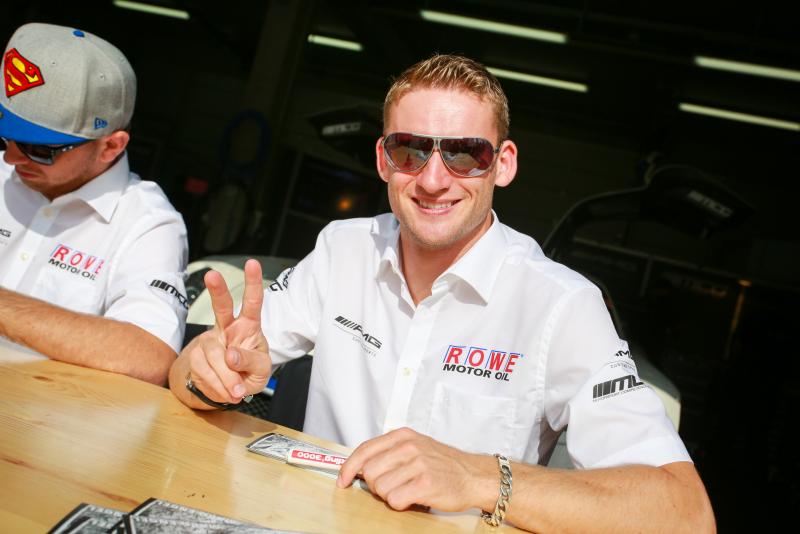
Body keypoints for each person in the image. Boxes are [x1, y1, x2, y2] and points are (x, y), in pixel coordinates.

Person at [169, 55, 715, 532]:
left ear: (503, 164)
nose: (433, 180)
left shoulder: (561, 304)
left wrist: (476, 477)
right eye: (409, 150)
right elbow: (186, 376)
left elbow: (685, 515)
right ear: (383, 159)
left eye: (465, 154)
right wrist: (208, 371)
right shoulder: (343, 249)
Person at [0, 23, 188, 385]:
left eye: (38, 149)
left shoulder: (147, 223)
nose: (10, 158)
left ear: (111, 147)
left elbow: (150, 355)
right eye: (6, 135)